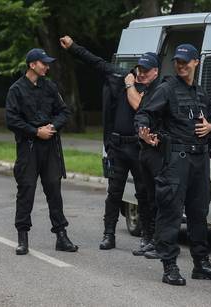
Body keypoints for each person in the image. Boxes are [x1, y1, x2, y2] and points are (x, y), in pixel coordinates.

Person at [135, 44, 211, 286]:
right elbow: (143, 114)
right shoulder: (166, 89)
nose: (180, 65)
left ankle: (201, 264)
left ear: (196, 62)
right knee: (171, 213)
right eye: (177, 61)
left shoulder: (200, 92)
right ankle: (170, 266)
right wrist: (144, 133)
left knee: (199, 213)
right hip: (176, 159)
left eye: (185, 61)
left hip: (200, 160)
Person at [60, 35, 156, 253]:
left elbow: (142, 108)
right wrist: (74, 47)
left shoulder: (155, 89)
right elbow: (96, 62)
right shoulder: (120, 76)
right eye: (139, 69)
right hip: (119, 146)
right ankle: (108, 234)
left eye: (146, 70)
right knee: (114, 193)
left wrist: (132, 85)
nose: (141, 73)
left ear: (155, 72)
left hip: (140, 148)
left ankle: (147, 236)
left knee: (144, 193)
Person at [5, 48, 78, 255]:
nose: (47, 66)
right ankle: (22, 237)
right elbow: (12, 120)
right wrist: (36, 131)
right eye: (43, 63)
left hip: (50, 146)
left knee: (54, 190)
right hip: (28, 147)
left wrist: (51, 128)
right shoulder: (16, 90)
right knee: (26, 190)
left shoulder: (50, 86)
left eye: (47, 63)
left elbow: (64, 111)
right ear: (32, 65)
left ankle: (61, 236)